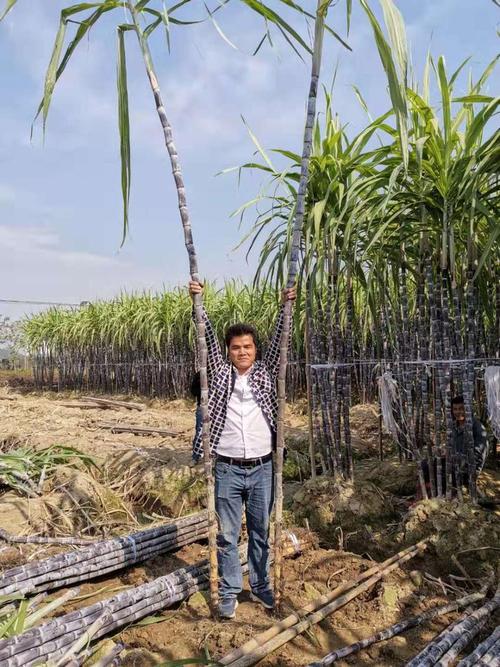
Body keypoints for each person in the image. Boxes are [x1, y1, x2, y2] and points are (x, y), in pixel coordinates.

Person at [189, 280, 296, 620]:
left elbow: (282, 342)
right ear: (228, 351)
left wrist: (284, 308)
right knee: (226, 534)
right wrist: (198, 302)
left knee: (262, 531)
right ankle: (231, 590)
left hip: (264, 467)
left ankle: (262, 584)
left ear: (255, 350)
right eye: (236, 348)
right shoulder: (219, 376)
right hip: (227, 468)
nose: (243, 352)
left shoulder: (266, 375)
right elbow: (203, 338)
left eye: (248, 347)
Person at [451, 395, 489, 479]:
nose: (457, 412)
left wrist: (453, 457)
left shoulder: (478, 428)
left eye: (461, 408)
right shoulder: (454, 426)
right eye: (455, 409)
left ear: (467, 409)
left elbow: (477, 456)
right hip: (453, 464)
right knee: (425, 464)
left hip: (468, 470)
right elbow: (452, 446)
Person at [190, 371, 203, 461]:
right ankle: (195, 456)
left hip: (218, 407)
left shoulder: (220, 373)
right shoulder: (199, 374)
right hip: (202, 407)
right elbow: (193, 391)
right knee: (200, 432)